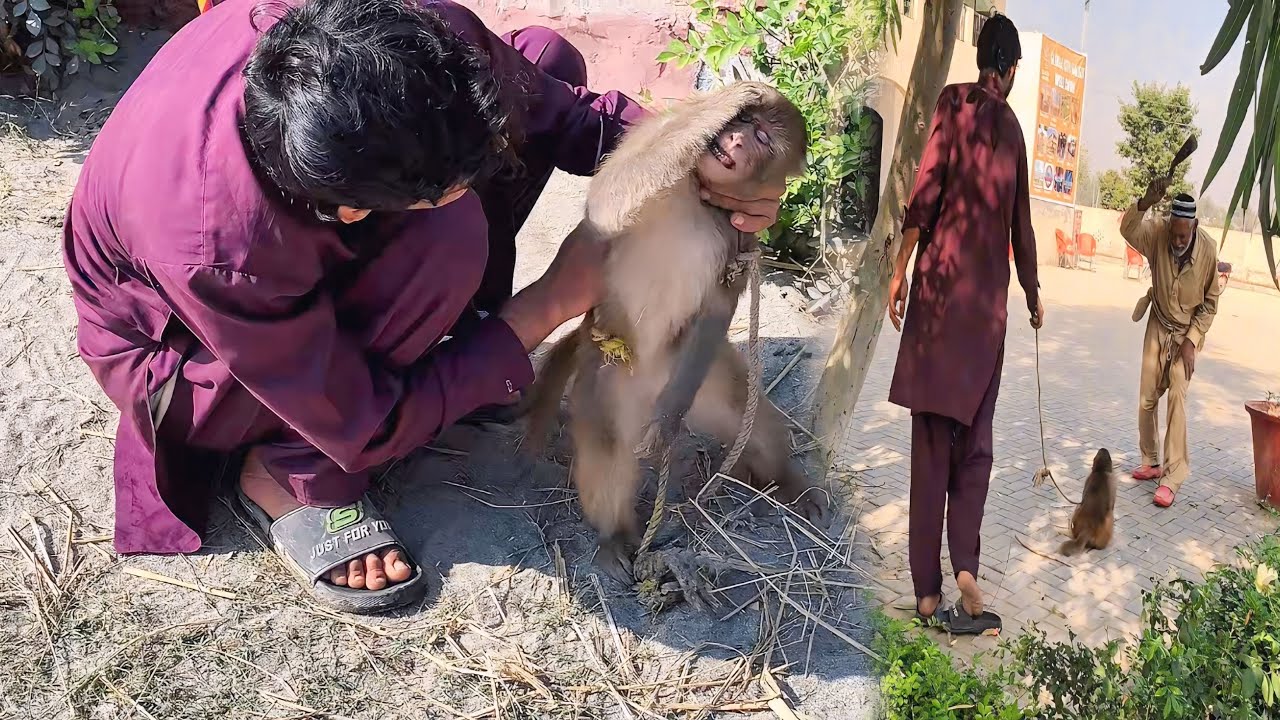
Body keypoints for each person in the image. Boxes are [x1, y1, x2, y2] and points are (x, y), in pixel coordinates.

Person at [62, 0, 784, 613]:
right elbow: (362, 421)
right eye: (440, 186)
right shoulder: (218, 241)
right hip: (189, 359)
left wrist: (694, 167)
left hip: (277, 251)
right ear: (347, 212)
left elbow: (557, 110)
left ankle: (464, 352)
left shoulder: (394, 30)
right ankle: (290, 470)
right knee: (450, 239)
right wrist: (548, 303)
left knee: (542, 61)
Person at [884, 13, 1042, 636]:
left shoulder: (953, 104)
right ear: (1009, 70)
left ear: (981, 61)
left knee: (931, 449)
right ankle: (967, 568)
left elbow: (927, 191)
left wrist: (900, 267)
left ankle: (927, 595)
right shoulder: (1015, 134)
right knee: (974, 447)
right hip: (988, 316)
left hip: (941, 301)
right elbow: (1022, 230)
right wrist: (1032, 294)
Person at [1120, 179, 1221, 508]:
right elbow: (1128, 230)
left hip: (1185, 335)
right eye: (1174, 233)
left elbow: (1210, 304)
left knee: (1177, 393)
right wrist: (1144, 202)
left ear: (1194, 225)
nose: (1177, 241)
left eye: (1184, 235)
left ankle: (1173, 475)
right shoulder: (1157, 232)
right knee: (1147, 397)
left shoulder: (1207, 249)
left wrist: (1192, 340)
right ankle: (1150, 460)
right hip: (1158, 323)